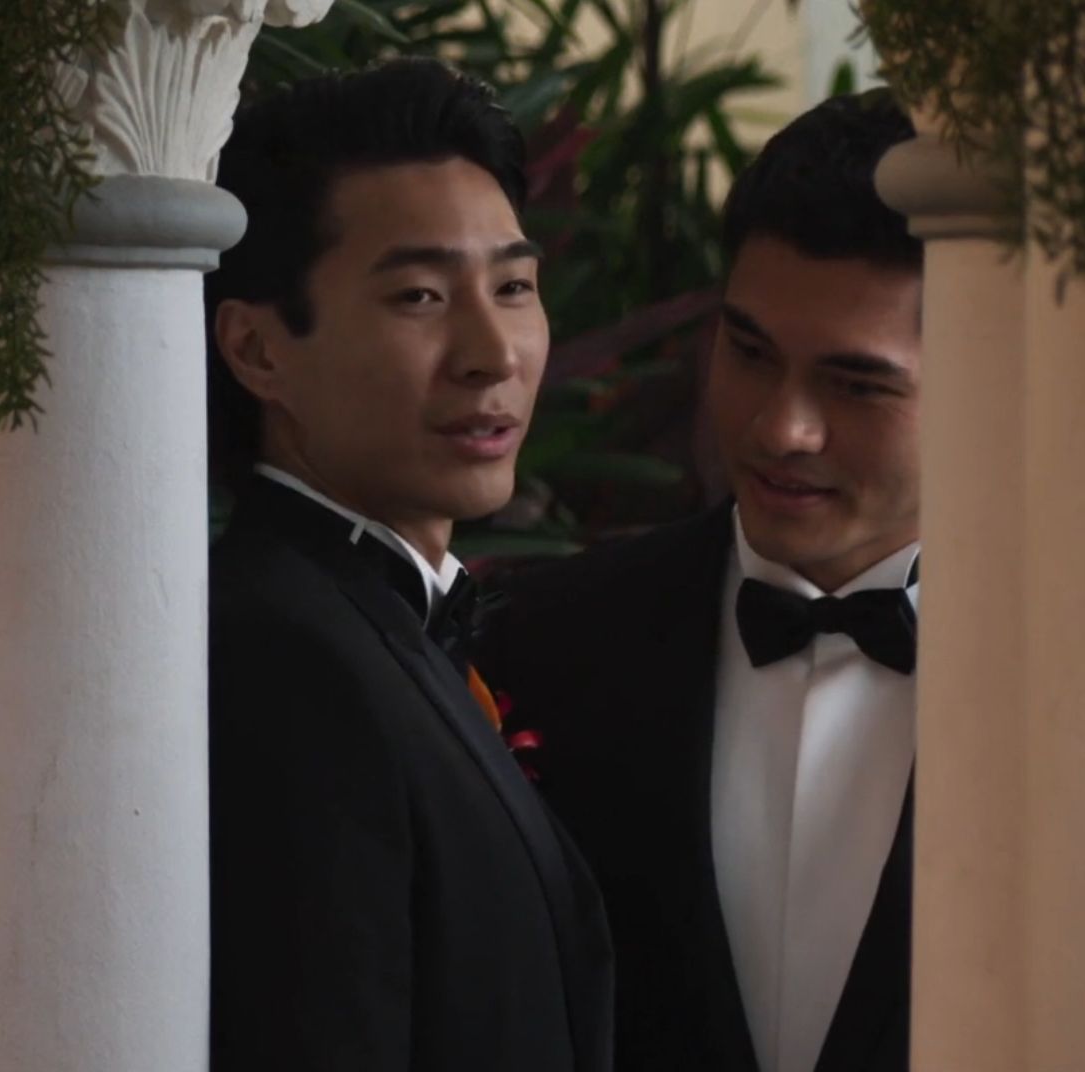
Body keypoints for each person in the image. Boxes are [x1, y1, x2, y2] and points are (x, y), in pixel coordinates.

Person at [477, 90, 922, 1072]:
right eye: (749, 352)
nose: (779, 428)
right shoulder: (541, 646)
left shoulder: (1082, 690)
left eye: (856, 384)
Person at [204, 58, 613, 1072]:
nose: (492, 353)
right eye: (420, 296)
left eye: (513, 287)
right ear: (257, 350)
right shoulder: (282, 656)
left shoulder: (378, 622)